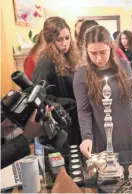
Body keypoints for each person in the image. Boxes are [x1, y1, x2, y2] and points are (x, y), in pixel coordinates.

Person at [73, 25, 132, 158]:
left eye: (103, 52)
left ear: (111, 47)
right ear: (86, 51)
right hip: (102, 135)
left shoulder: (124, 66)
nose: (98, 58)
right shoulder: (82, 74)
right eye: (93, 53)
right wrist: (86, 137)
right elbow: (83, 110)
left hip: (128, 133)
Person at [32, 17, 81, 147]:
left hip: (72, 119)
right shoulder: (46, 62)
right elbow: (38, 96)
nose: (65, 43)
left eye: (67, 38)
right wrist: (69, 102)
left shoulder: (69, 56)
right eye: (59, 40)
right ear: (50, 41)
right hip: (60, 124)